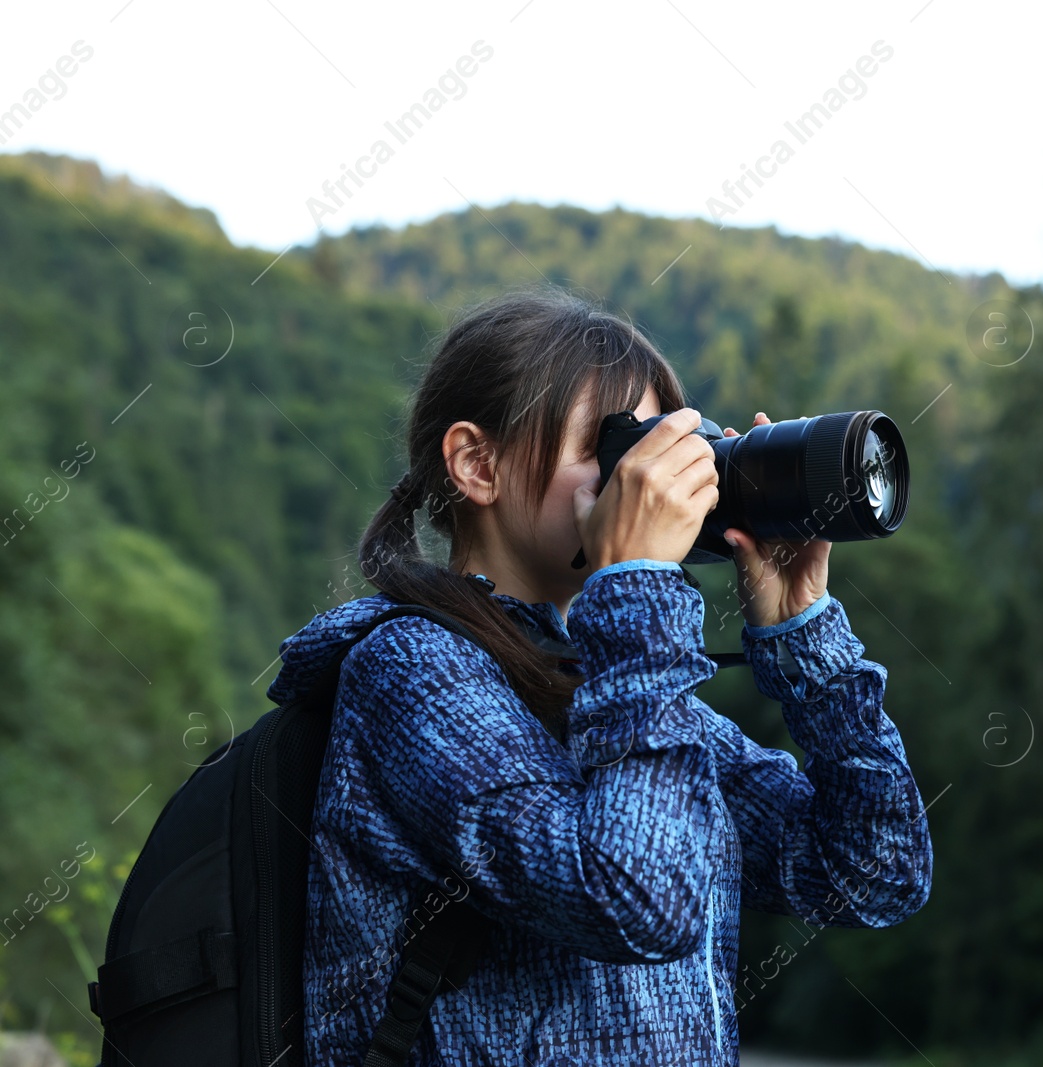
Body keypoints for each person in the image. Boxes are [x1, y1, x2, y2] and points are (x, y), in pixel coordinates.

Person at [266, 287, 934, 1066]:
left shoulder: (603, 685)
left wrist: (802, 634)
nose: (645, 482)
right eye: (618, 448)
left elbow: (875, 870)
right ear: (477, 464)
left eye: (659, 447)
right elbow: (640, 900)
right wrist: (639, 584)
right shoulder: (413, 673)